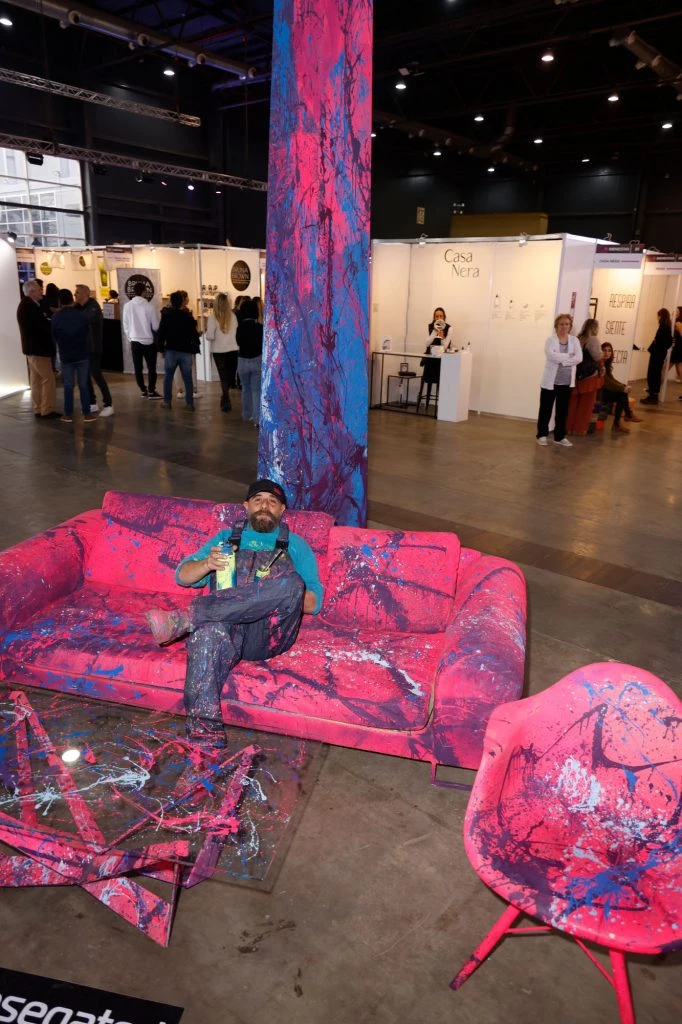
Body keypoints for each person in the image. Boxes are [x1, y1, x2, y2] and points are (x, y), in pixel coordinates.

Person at [145, 479, 323, 755]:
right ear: (246, 506)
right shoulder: (224, 538)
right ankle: (204, 739)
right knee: (206, 634)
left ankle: (188, 617)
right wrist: (207, 564)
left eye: (272, 502)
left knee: (292, 584)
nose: (264, 506)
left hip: (268, 633)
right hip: (227, 630)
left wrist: (274, 593)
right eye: (258, 500)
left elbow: (314, 603)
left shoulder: (297, 545)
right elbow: (182, 576)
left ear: (282, 510)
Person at [536, 313, 582, 447]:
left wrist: (562, 359)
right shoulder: (551, 340)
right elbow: (551, 356)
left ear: (570, 326)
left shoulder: (574, 340)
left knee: (562, 411)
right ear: (556, 326)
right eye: (561, 324)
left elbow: (579, 358)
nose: (564, 326)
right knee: (546, 409)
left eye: (567, 324)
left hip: (567, 383)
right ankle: (542, 435)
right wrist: (569, 357)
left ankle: (559, 436)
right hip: (550, 382)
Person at [51, 289, 96, 424]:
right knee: (83, 385)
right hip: (82, 354)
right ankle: (87, 413)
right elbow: (88, 333)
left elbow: (54, 336)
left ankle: (68, 414)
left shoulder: (56, 317)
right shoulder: (82, 316)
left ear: (60, 301)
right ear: (72, 299)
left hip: (66, 355)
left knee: (68, 385)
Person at [16, 279, 59, 418]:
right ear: (32, 292)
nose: (41, 292)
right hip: (39, 350)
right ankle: (47, 409)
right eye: (39, 290)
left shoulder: (27, 305)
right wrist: (50, 322)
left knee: (36, 380)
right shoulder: (30, 307)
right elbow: (40, 327)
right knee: (48, 379)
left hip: (32, 349)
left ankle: (38, 407)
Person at [75, 283, 114, 418]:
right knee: (85, 376)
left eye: (77, 292)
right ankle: (92, 402)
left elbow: (85, 320)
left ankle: (108, 404)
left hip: (94, 348)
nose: (75, 295)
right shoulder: (79, 307)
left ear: (85, 293)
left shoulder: (93, 307)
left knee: (96, 374)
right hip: (83, 348)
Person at [157, 290, 200, 410]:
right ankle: (189, 403)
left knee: (168, 377)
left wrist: (161, 349)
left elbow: (161, 333)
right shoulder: (188, 316)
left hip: (171, 350)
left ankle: (167, 402)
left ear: (171, 302)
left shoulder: (167, 316)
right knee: (188, 378)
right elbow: (194, 334)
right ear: (182, 302)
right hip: (186, 351)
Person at [122, 281, 161, 398]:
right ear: (144, 291)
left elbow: (125, 324)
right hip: (148, 341)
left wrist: (130, 337)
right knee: (151, 367)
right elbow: (156, 326)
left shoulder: (127, 306)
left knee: (137, 368)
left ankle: (143, 390)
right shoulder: (149, 306)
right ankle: (151, 390)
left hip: (134, 340)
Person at [566, 318, 603, 436]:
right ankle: (579, 429)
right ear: (594, 327)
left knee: (573, 403)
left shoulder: (578, 338)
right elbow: (597, 356)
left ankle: (568, 428)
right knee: (586, 404)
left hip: (577, 374)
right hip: (589, 376)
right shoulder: (593, 339)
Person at [205, 291, 238, 412]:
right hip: (233, 349)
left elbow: (210, 336)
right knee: (230, 376)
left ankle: (225, 398)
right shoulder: (233, 316)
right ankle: (225, 397)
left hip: (218, 351)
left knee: (223, 375)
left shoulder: (213, 317)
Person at [600, 343, 643, 433]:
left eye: (609, 350)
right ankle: (626, 416)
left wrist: (623, 386)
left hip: (603, 391)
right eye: (604, 350)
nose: (607, 353)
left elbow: (611, 379)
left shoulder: (606, 363)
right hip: (599, 393)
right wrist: (622, 388)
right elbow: (606, 382)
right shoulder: (601, 364)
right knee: (622, 393)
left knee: (622, 394)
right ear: (601, 351)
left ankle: (623, 419)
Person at [236, 297, 263, 427]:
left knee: (245, 389)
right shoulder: (259, 328)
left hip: (242, 360)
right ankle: (257, 419)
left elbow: (238, 342)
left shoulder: (240, 328)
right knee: (256, 391)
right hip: (256, 360)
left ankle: (246, 415)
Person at [640, 308, 673, 406]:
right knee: (653, 374)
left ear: (661, 316)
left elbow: (667, 342)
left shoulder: (664, 328)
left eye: (658, 315)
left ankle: (653, 397)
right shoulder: (665, 327)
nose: (657, 317)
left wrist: (657, 346)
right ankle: (652, 395)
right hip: (658, 354)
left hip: (657, 355)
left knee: (653, 374)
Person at [671, 306, 682, 393]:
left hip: (678, 349)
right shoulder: (675, 322)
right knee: (679, 369)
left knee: (665, 368)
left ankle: (654, 390)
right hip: (677, 348)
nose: (674, 312)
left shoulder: (679, 323)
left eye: (677, 311)